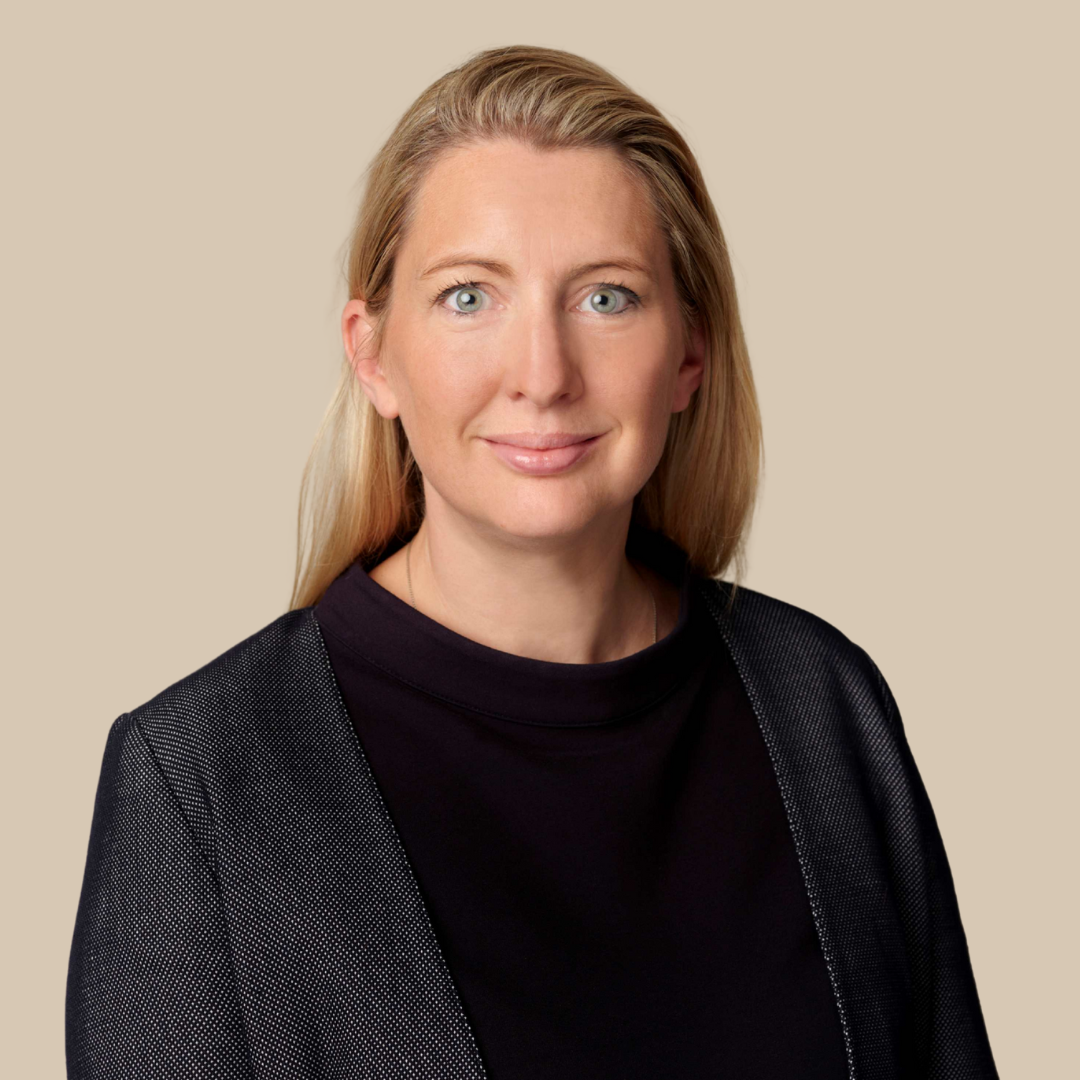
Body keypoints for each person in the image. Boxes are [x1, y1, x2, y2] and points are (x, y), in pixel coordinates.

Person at [65, 44, 998, 1080]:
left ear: (689, 352)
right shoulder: (201, 778)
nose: (543, 375)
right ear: (374, 355)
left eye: (606, 297)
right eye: (470, 297)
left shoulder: (825, 703)